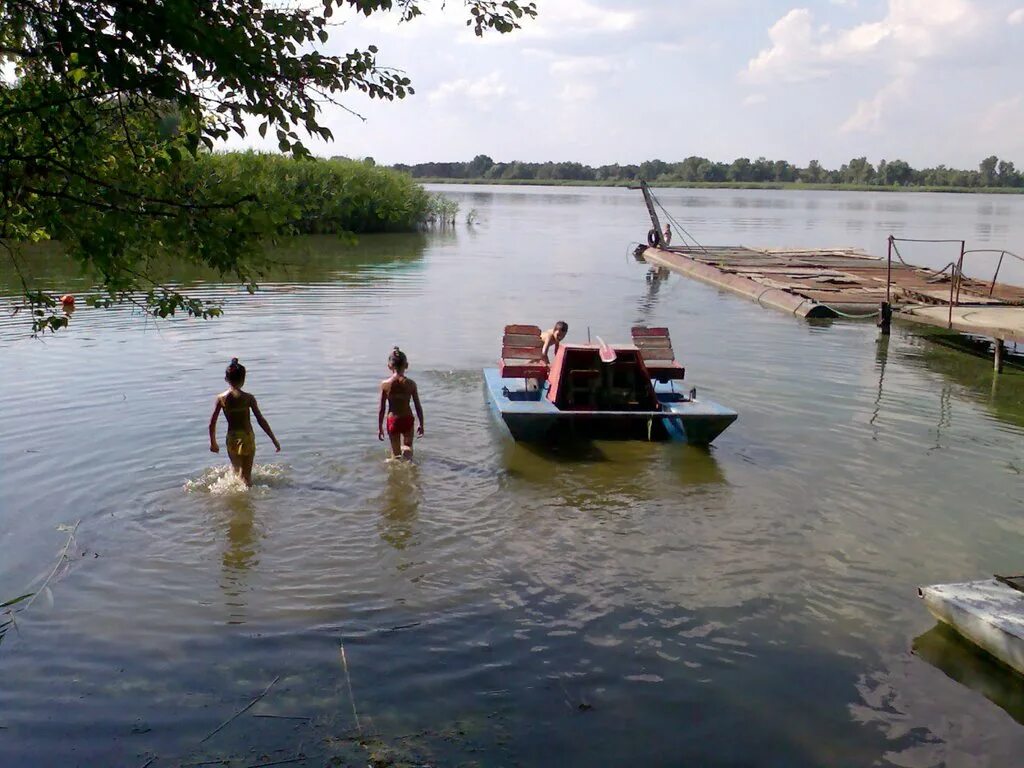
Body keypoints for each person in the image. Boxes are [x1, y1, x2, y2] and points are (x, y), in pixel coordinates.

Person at [209, 358, 280, 487]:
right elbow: (260, 420)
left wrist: (213, 443)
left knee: (236, 473)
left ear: (226, 379)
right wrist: (273, 439)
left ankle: (236, 501)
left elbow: (212, 423)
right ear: (243, 380)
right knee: (246, 478)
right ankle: (247, 502)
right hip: (246, 437)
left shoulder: (221, 399)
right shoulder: (248, 398)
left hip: (231, 438)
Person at [378, 346, 424, 459]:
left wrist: (380, 427)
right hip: (407, 419)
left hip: (393, 420)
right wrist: (421, 424)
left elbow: (381, 409)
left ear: (389, 366)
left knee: (396, 454)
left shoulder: (385, 384)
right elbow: (418, 406)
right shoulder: (411, 384)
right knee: (408, 447)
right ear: (407, 365)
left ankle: (397, 466)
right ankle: (409, 463)